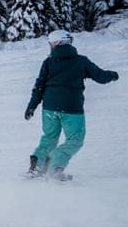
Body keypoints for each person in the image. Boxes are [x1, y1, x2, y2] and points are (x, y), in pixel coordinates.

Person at [25, 29, 119, 180]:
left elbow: (39, 86)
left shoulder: (48, 62)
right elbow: (100, 77)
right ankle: (55, 167)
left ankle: (37, 166)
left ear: (56, 43)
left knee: (49, 137)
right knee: (75, 140)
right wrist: (112, 75)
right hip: (71, 108)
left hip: (49, 108)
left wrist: (32, 106)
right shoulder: (81, 61)